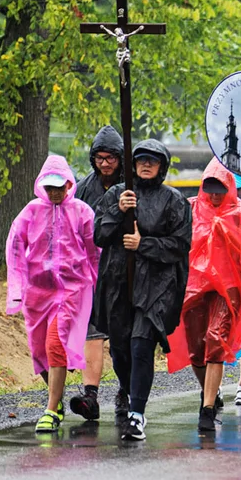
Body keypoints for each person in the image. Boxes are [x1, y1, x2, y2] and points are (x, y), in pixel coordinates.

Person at [93, 140, 192, 441]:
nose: (146, 165)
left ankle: (137, 414)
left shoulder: (175, 200)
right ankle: (127, 387)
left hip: (157, 285)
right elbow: (99, 234)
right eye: (141, 160)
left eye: (153, 160)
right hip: (120, 282)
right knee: (121, 350)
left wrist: (144, 245)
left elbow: (180, 245)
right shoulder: (116, 194)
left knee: (141, 344)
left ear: (162, 166)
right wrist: (117, 212)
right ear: (133, 165)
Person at [6, 155, 100, 433]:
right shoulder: (31, 211)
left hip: (72, 291)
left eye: (60, 186)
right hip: (38, 293)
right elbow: (14, 248)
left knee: (56, 343)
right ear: (41, 187)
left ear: (70, 183)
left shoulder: (82, 212)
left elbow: (94, 251)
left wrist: (96, 286)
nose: (55, 192)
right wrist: (17, 287)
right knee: (39, 351)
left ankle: (50, 410)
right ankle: (56, 399)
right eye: (50, 187)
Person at [166, 158, 241, 432]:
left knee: (216, 340)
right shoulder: (189, 208)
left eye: (220, 189)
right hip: (194, 288)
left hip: (227, 290)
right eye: (210, 188)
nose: (214, 195)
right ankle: (209, 391)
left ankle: (208, 407)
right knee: (196, 350)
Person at [68, 125, 124, 421]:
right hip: (90, 272)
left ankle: (125, 392)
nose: (105, 163)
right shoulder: (82, 188)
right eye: (100, 158)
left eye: (110, 158)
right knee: (93, 333)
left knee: (121, 337)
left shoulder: (131, 186)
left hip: (123, 269)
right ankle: (90, 395)